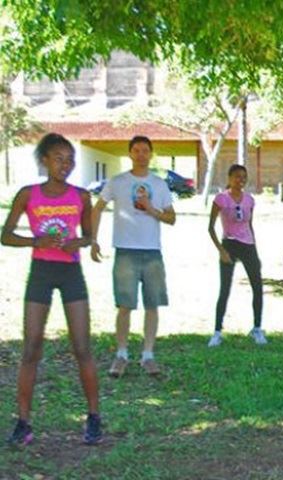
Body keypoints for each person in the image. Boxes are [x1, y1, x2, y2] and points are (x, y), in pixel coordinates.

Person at [1, 133, 102, 445]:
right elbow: (5, 235)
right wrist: (36, 241)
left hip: (71, 272)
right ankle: (23, 422)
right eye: (59, 158)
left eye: (70, 159)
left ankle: (94, 417)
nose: (66, 164)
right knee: (31, 349)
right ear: (44, 160)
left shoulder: (81, 197)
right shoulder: (27, 195)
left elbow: (88, 236)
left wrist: (79, 241)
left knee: (82, 347)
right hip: (41, 271)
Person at [91, 136, 176, 377]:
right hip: (125, 251)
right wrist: (93, 239)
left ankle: (148, 355)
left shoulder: (159, 185)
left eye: (145, 150)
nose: (141, 154)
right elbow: (97, 208)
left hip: (152, 252)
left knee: (152, 305)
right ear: (130, 153)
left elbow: (171, 218)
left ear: (151, 154)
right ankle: (121, 354)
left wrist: (151, 209)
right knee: (125, 306)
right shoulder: (118, 182)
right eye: (136, 150)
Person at [207, 164, 266, 347]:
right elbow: (210, 227)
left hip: (247, 245)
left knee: (257, 286)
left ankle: (257, 328)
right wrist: (221, 250)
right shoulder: (221, 199)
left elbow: (250, 225)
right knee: (224, 289)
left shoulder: (249, 200)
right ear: (230, 178)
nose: (240, 181)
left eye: (243, 177)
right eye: (237, 177)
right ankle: (217, 331)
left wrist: (255, 251)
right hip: (229, 244)